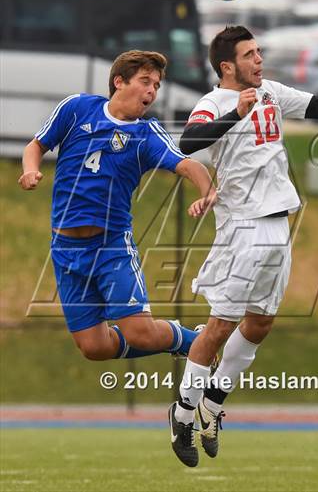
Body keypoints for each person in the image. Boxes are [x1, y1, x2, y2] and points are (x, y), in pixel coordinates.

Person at [168, 26, 318, 467]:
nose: (259, 60)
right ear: (226, 66)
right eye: (250, 55)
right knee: (218, 327)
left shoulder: (269, 91)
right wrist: (235, 112)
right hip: (243, 227)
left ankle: (212, 405)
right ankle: (181, 414)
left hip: (278, 224)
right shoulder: (213, 104)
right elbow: (189, 142)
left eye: (259, 52)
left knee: (261, 324)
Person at [19, 50, 216, 364]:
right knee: (94, 348)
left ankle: (199, 343)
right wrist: (30, 169)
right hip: (66, 249)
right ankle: (185, 338)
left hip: (110, 246)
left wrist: (206, 191)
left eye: (157, 85)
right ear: (119, 81)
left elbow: (188, 165)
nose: (152, 90)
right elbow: (37, 145)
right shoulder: (77, 108)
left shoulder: (145, 134)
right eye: (145, 81)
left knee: (141, 334)